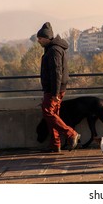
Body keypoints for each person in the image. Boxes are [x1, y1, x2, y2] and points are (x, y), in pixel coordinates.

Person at [37, 22, 80, 152]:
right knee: (54, 116)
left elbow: (57, 73)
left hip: (53, 89)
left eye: (40, 39)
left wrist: (55, 93)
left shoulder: (54, 50)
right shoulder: (53, 49)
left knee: (48, 113)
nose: (38, 41)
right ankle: (55, 146)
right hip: (55, 88)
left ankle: (71, 134)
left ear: (46, 38)